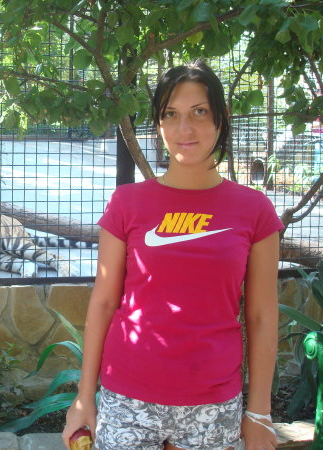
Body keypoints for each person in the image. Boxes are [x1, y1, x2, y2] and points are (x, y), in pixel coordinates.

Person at [62, 61, 284, 450]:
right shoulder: (127, 203)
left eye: (199, 112)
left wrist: (259, 413)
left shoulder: (255, 210)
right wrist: (84, 398)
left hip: (213, 404)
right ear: (158, 123)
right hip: (126, 398)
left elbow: (262, 316)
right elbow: (104, 301)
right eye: (170, 114)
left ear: (221, 117)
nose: (185, 128)